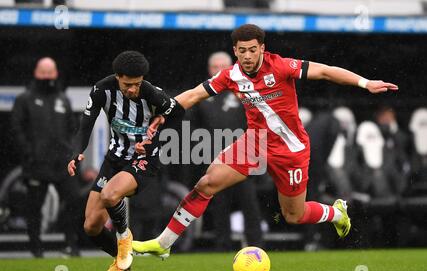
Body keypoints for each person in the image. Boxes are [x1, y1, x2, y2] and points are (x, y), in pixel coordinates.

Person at [132, 24, 398, 257]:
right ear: (235, 51)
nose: (247, 56)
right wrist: (163, 115)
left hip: (291, 150)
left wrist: (365, 83)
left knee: (293, 215)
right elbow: (192, 95)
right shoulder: (230, 75)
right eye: (241, 50)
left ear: (262, 48)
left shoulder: (281, 66)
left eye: (252, 49)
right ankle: (164, 243)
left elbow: (326, 72)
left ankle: (336, 213)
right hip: (255, 144)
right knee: (207, 182)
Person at [67, 51, 184, 271]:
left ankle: (124, 238)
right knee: (91, 225)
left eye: (137, 84)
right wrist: (76, 153)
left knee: (110, 195)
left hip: (144, 159)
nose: (133, 89)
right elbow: (86, 124)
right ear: (117, 77)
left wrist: (153, 141)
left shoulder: (152, 93)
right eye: (128, 84)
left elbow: (178, 114)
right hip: (114, 158)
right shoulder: (102, 89)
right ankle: (123, 261)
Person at [187, 51, 264, 251]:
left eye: (223, 66)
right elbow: (190, 128)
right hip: (215, 161)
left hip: (243, 159)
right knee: (220, 206)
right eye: (215, 66)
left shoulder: (245, 91)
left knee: (250, 204)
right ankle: (223, 247)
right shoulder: (201, 94)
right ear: (209, 69)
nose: (219, 70)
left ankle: (257, 245)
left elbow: (258, 123)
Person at [10, 57, 80, 258]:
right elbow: (16, 130)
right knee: (34, 208)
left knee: (74, 200)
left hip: (62, 164)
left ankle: (70, 245)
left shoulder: (62, 99)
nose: (48, 77)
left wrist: (72, 155)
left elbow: (72, 130)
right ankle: (36, 248)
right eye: (44, 73)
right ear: (36, 74)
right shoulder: (25, 99)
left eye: (51, 73)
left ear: (56, 74)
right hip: (36, 165)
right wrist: (29, 154)